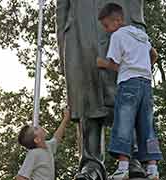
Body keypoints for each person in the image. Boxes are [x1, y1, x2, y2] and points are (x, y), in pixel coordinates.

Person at [56, 0, 147, 179]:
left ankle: (132, 158)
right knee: (86, 94)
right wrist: (62, 48)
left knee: (126, 90)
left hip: (122, 13)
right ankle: (91, 163)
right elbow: (61, 8)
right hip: (80, 25)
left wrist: (138, 25)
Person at [97, 3, 162, 180]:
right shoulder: (141, 35)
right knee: (147, 125)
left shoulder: (118, 35)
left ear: (117, 20)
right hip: (146, 84)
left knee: (124, 122)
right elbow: (154, 55)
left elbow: (116, 64)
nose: (106, 29)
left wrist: (102, 63)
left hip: (129, 84)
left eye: (106, 25)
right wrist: (144, 67)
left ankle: (123, 167)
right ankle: (153, 170)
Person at [15, 108, 70, 180]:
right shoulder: (33, 154)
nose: (38, 126)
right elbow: (20, 177)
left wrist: (65, 119)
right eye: (36, 129)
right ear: (37, 139)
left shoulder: (47, 146)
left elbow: (57, 137)